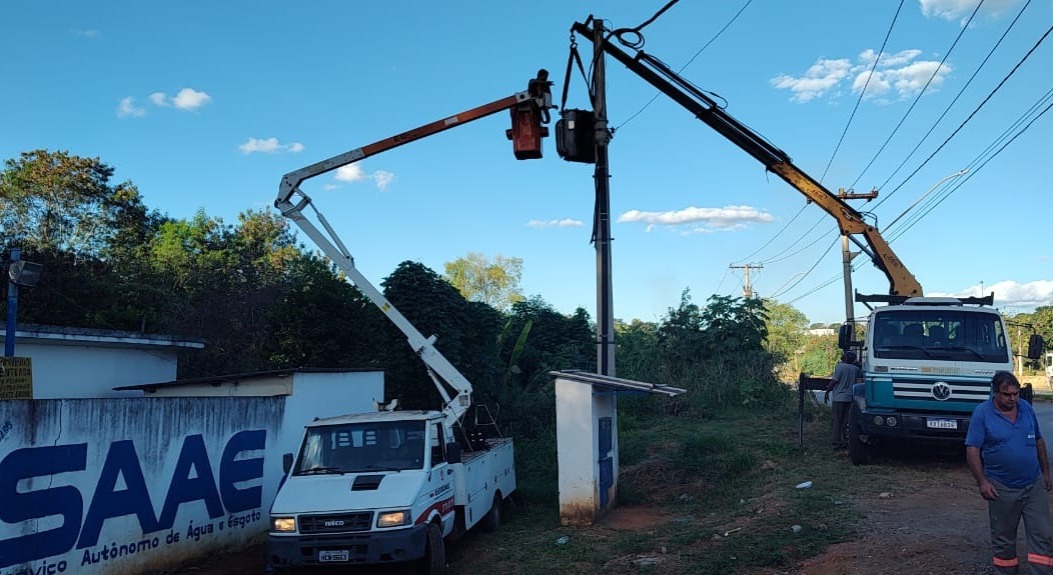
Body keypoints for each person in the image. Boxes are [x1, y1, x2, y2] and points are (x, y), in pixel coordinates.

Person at [965, 371, 1053, 574]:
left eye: (1016, 393)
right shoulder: (982, 413)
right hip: (1001, 487)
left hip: (1033, 484)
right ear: (995, 393)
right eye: (1007, 394)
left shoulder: (1026, 408)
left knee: (1043, 534)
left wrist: (1045, 472)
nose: (1013, 398)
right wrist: (982, 482)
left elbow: (1039, 440)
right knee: (1004, 539)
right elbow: (972, 449)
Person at [825, 350, 860, 450]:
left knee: (837, 420)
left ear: (845, 358)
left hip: (839, 397)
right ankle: (845, 439)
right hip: (850, 398)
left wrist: (827, 391)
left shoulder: (840, 367)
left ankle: (837, 441)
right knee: (845, 421)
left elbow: (834, 381)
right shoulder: (856, 369)